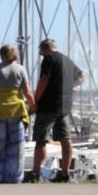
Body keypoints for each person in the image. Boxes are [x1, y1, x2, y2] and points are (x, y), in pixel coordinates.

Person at [0, 45, 35, 183]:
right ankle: (14, 176)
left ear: (1, 55)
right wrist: (33, 105)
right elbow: (27, 91)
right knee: (16, 146)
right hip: (16, 110)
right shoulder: (21, 69)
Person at [31, 38, 85, 183]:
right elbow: (82, 76)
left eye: (41, 52)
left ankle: (36, 174)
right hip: (64, 106)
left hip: (48, 106)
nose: (41, 55)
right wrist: (69, 86)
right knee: (65, 140)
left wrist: (35, 100)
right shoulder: (67, 60)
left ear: (45, 49)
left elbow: (44, 80)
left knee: (41, 141)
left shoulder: (48, 59)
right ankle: (65, 173)